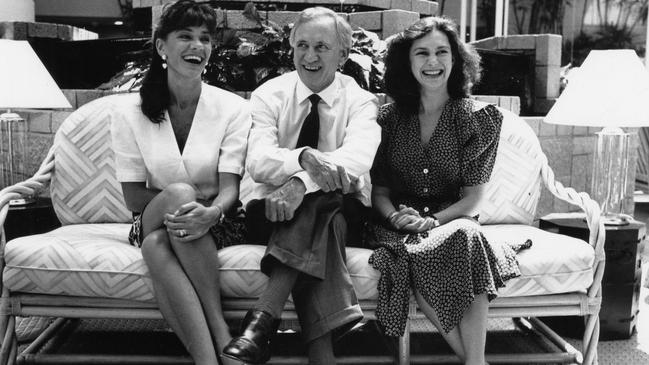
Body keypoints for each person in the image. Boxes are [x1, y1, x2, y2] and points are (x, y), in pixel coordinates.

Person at [222, 7, 381, 365]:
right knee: (326, 215)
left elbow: (356, 160)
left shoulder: (360, 101)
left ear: (342, 55)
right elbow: (258, 161)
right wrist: (305, 158)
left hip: (342, 209)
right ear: (291, 48)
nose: (309, 56)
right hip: (271, 212)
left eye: (322, 47)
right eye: (302, 46)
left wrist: (298, 183)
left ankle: (262, 321)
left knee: (325, 201)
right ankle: (327, 341)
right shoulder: (268, 95)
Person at [366, 16, 528, 365]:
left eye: (442, 52)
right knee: (416, 254)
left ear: (456, 61)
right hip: (398, 225)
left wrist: (432, 222)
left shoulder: (479, 117)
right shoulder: (388, 119)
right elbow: (379, 192)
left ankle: (474, 361)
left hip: (453, 220)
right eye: (421, 53)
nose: (433, 62)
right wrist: (396, 216)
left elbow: (473, 198)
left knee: (466, 236)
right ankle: (475, 362)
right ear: (406, 62)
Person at [110, 1, 251, 365]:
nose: (197, 46)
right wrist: (183, 201)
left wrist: (211, 213)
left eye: (205, 38)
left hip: (219, 220)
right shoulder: (128, 111)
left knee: (157, 246)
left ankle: (207, 359)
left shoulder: (233, 108)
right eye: (185, 36)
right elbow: (132, 195)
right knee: (178, 194)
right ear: (162, 47)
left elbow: (230, 188)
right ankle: (221, 332)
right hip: (152, 213)